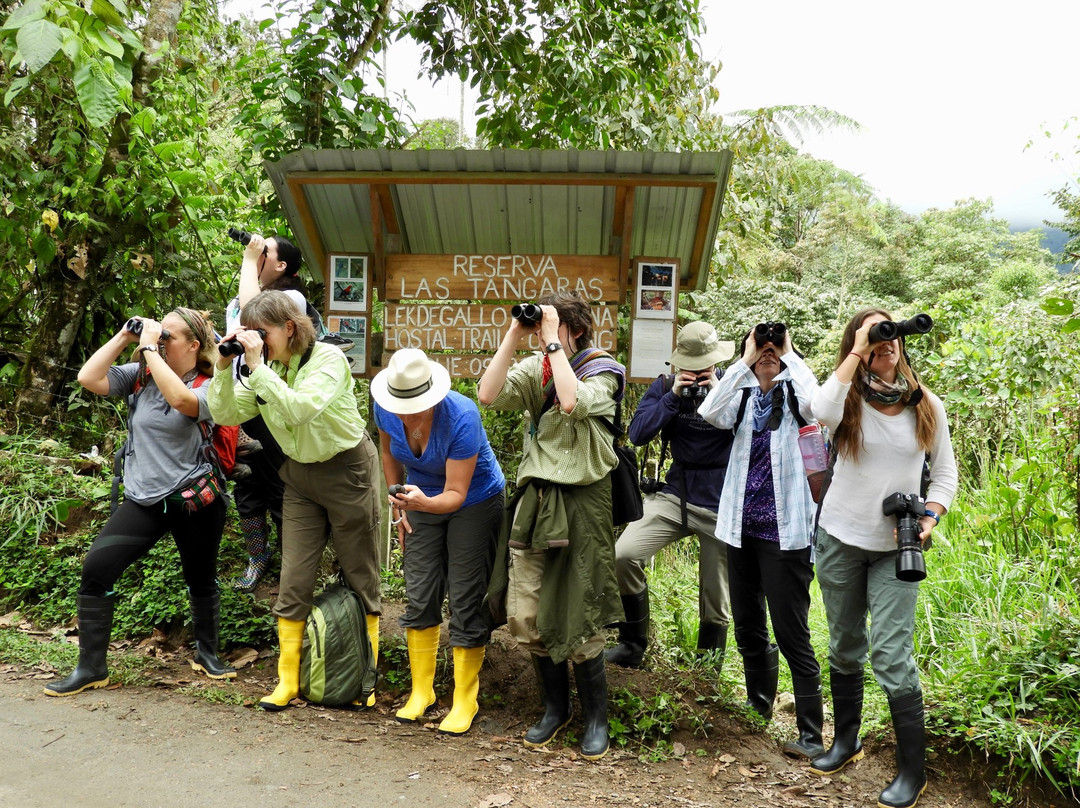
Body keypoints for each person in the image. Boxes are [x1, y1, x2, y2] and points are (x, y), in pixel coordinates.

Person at [809, 308, 957, 808]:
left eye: (890, 330)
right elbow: (817, 409)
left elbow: (944, 478)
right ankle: (846, 742)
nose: (886, 339)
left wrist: (930, 518)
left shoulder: (926, 405)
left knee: (892, 656)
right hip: (841, 538)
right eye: (874, 334)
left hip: (900, 548)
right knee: (845, 644)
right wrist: (858, 348)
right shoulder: (847, 400)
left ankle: (911, 773)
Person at [207, 290, 381, 712]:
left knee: (360, 572)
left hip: (347, 470)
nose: (256, 342)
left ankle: (365, 677)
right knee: (294, 575)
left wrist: (256, 367)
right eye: (250, 335)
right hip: (300, 476)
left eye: (261, 334)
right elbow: (225, 413)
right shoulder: (263, 367)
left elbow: (301, 409)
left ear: (289, 327)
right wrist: (223, 367)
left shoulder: (328, 359)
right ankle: (287, 681)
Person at [45, 309, 234, 696]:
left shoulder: (212, 384)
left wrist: (149, 347)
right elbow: (88, 378)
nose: (161, 341)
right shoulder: (140, 377)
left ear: (195, 345)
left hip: (192, 499)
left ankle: (207, 654)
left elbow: (182, 401)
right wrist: (124, 337)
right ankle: (91, 667)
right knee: (96, 570)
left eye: (170, 337)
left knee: (200, 577)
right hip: (144, 499)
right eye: (159, 334)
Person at [478, 290, 625, 761]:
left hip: (583, 501)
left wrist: (553, 342)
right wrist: (515, 335)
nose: (543, 334)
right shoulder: (534, 368)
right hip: (536, 499)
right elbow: (487, 394)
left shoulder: (604, 370)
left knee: (580, 603)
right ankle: (555, 709)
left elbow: (571, 402)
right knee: (529, 608)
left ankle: (596, 718)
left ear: (574, 329)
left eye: (552, 324)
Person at [698, 325, 824, 759]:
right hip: (740, 529)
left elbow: (820, 407)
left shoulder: (797, 394)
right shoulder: (744, 395)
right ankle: (759, 708)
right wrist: (746, 358)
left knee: (792, 633)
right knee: (749, 626)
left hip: (785, 533)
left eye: (776, 349)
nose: (768, 354)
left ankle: (811, 732)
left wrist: (789, 355)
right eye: (762, 348)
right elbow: (710, 411)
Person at [371, 349, 505, 735]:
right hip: (418, 495)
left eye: (412, 407)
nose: (404, 415)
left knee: (465, 594)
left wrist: (421, 504)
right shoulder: (385, 408)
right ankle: (422, 691)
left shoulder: (461, 415)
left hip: (473, 499)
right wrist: (399, 504)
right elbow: (387, 453)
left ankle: (465, 697)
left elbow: (455, 494)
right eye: (399, 406)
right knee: (420, 587)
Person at [606, 321, 736, 669]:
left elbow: (748, 434)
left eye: (704, 367)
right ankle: (632, 645)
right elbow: (637, 434)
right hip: (675, 494)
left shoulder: (735, 384)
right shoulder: (666, 385)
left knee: (716, 596)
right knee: (624, 555)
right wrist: (673, 396)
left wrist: (719, 392)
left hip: (721, 501)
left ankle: (706, 675)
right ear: (678, 364)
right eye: (690, 368)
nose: (697, 374)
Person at [224, 232, 309, 592]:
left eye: (265, 252)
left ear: (282, 265)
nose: (257, 254)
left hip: (270, 403)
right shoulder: (237, 299)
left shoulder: (292, 298)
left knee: (279, 485)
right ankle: (257, 559)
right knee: (246, 485)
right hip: (239, 401)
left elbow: (252, 313)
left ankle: (292, 568)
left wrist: (247, 259)